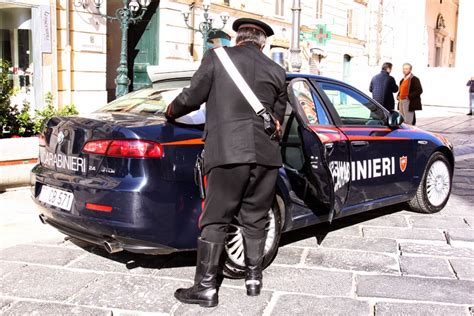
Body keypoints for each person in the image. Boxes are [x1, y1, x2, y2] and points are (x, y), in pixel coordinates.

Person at [165, 18, 287, 307]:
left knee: (216, 218)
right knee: (255, 218)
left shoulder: (217, 57)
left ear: (237, 38)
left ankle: (206, 288)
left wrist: (171, 110)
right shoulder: (277, 71)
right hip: (267, 156)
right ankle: (253, 280)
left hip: (229, 152)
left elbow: (192, 97)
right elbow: (278, 121)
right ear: (263, 43)